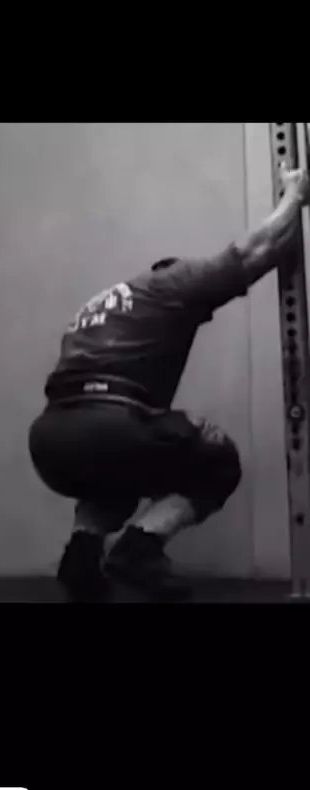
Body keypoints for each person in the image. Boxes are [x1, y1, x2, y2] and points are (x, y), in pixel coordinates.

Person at [29, 163, 310, 602]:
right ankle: (140, 549)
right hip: (110, 426)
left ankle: (81, 556)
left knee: (113, 477)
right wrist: (295, 194)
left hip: (50, 443)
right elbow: (261, 248)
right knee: (218, 461)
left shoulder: (108, 301)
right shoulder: (174, 282)